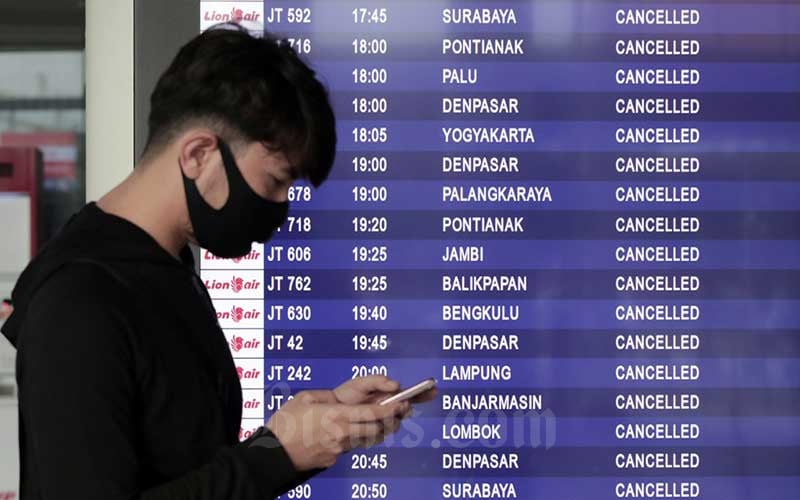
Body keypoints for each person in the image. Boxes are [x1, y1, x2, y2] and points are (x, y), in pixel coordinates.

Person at [0, 25, 435, 499]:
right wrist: (279, 454)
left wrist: (301, 437)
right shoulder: (80, 301)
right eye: (274, 182)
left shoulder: (166, 274)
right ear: (198, 154)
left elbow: (189, 467)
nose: (280, 207)